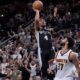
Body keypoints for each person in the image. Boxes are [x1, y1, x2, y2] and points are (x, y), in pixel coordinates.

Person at [34, 9, 55, 79]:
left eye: (43, 21)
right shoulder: (38, 30)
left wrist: (54, 12)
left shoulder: (49, 31)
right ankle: (44, 77)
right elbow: (36, 21)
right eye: (41, 21)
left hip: (50, 50)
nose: (42, 21)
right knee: (44, 68)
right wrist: (37, 12)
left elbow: (54, 22)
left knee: (52, 68)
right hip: (42, 50)